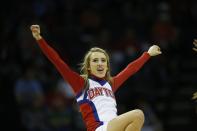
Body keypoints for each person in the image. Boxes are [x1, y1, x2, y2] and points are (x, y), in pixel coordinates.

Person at [30, 24, 162, 131]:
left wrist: (148, 54)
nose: (100, 63)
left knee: (133, 124)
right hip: (98, 129)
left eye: (103, 60)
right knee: (138, 114)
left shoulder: (111, 83)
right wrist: (39, 39)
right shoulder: (81, 83)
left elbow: (130, 69)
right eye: (95, 61)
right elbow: (57, 61)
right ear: (88, 66)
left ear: (107, 66)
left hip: (112, 127)